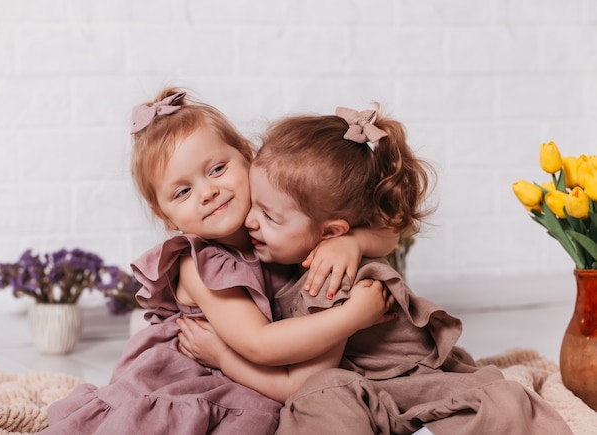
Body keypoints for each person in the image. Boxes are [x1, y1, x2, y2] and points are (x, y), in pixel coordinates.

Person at [177, 107, 573, 435]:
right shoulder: (324, 244)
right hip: (363, 385)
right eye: (255, 205)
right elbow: (384, 234)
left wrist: (223, 358)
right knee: (326, 401)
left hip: (407, 378)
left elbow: (294, 381)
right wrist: (356, 241)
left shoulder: (326, 278)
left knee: (491, 400)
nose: (250, 221)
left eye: (268, 215)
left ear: (331, 231)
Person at [41, 89, 396, 435]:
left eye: (217, 169)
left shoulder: (278, 221)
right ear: (164, 214)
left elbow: (392, 232)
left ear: (247, 155)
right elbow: (260, 343)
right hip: (197, 377)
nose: (208, 192)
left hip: (266, 370)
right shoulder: (198, 266)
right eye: (183, 191)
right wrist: (352, 316)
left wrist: (350, 241)